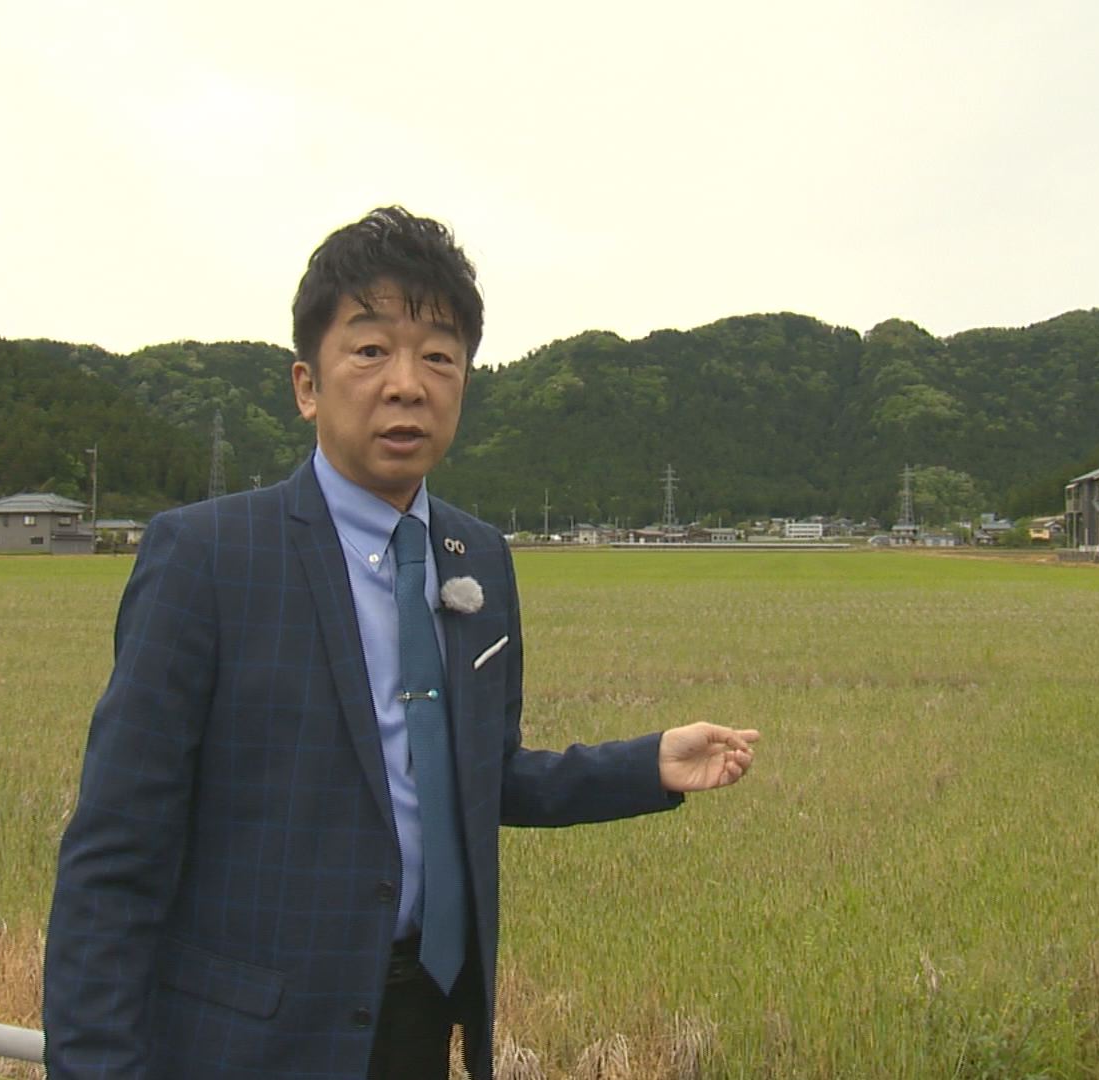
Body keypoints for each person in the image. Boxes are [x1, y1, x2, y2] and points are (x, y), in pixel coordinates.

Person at [42, 206, 760, 1080]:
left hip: (418, 1023)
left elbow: (474, 774)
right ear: (308, 383)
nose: (407, 383)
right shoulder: (209, 556)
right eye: (372, 349)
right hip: (252, 1040)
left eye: (439, 356)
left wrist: (646, 764)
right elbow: (115, 854)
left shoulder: (478, 557)